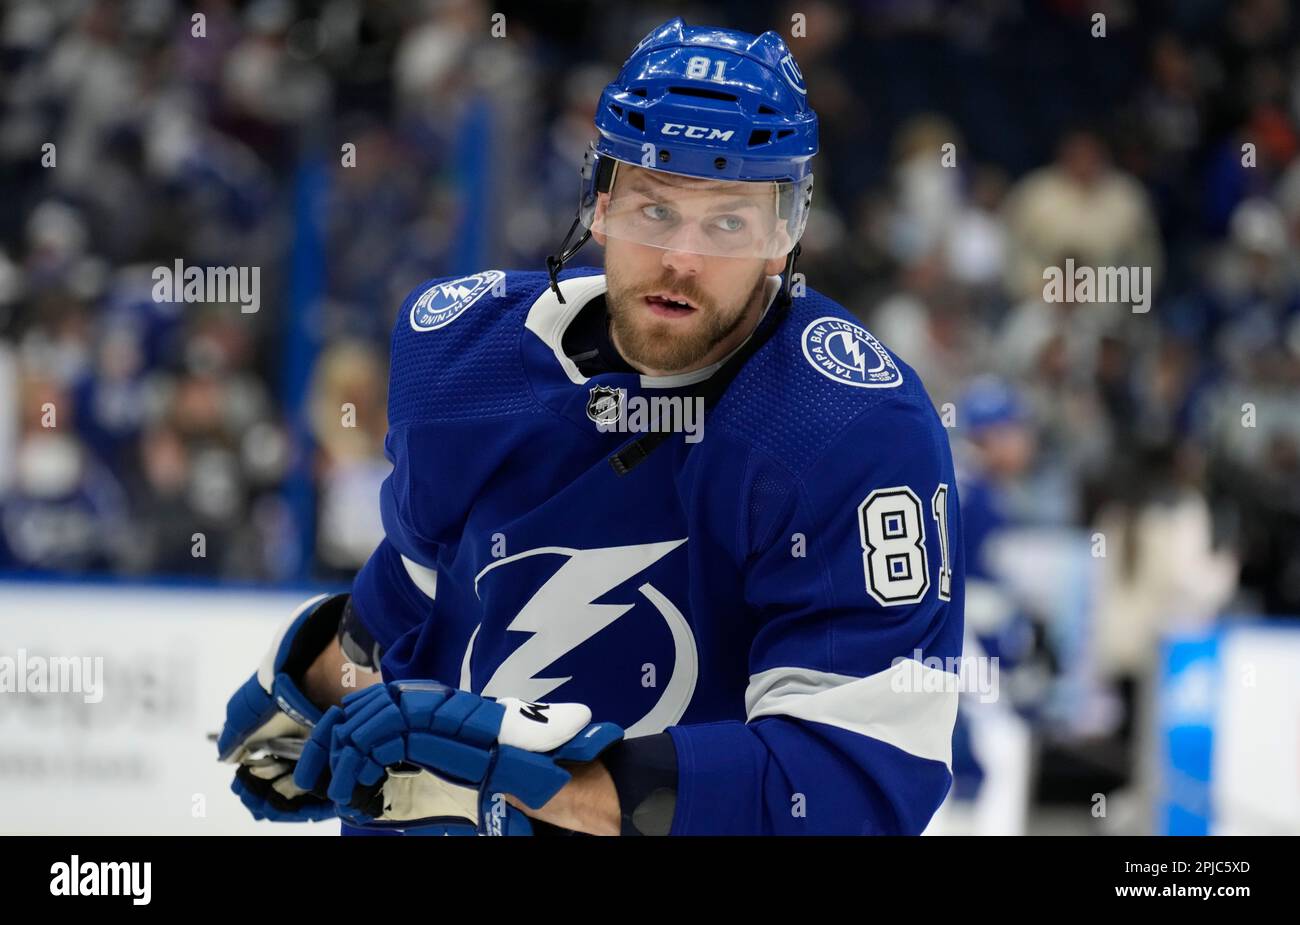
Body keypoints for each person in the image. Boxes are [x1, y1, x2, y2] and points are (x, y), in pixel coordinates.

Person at [217, 17, 964, 836]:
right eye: (654, 207)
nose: (681, 256)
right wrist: (317, 687)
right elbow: (411, 585)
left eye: (727, 222)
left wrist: (538, 786)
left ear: (784, 233)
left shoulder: (849, 426)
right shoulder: (465, 356)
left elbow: (853, 779)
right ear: (600, 202)